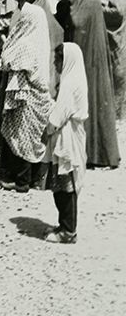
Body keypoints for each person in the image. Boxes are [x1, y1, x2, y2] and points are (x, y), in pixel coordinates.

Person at [59, 0, 121, 168]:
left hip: (87, 61)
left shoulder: (87, 3)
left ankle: (93, 153)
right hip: (83, 61)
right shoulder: (86, 1)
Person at [0, 0, 52, 192]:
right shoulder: (39, 42)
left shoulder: (26, 44)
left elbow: (8, 61)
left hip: (25, 100)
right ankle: (27, 178)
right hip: (30, 97)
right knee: (28, 138)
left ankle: (22, 181)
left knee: (22, 136)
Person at [43, 43, 88, 244]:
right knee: (63, 184)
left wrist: (47, 130)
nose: (55, 64)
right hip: (69, 136)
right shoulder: (74, 78)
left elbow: (58, 116)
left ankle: (68, 231)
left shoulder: (69, 84)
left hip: (66, 138)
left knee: (65, 186)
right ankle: (64, 224)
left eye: (57, 60)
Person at [99, 0, 126, 118]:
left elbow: (118, 13)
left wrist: (97, 7)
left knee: (117, 75)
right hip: (114, 40)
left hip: (117, 40)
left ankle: (117, 116)